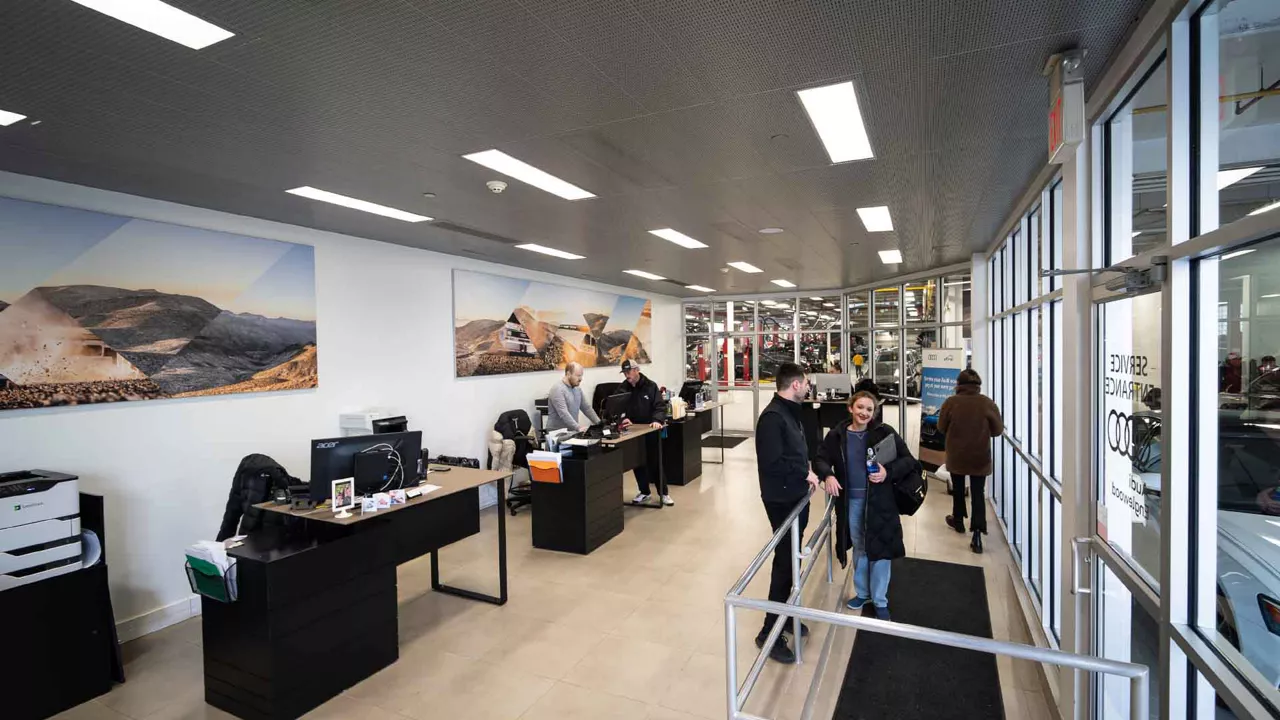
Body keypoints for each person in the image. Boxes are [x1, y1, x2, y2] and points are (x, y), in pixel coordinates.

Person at [814, 391, 917, 620]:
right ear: (850, 408)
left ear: (874, 413)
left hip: (880, 503)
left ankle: (880, 600)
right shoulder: (837, 435)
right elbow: (819, 458)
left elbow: (909, 460)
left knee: (880, 549)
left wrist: (886, 472)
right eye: (860, 407)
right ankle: (863, 592)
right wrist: (828, 475)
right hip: (852, 502)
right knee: (860, 546)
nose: (864, 413)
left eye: (869, 410)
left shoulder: (884, 433)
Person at [754, 362, 821, 664]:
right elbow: (772, 463)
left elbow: (793, 452)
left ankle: (787, 614)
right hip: (782, 501)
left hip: (795, 496)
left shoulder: (790, 413)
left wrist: (806, 468)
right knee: (784, 563)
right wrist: (803, 473)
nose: (808, 387)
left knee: (791, 561)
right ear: (795, 385)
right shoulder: (772, 417)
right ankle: (769, 632)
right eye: (805, 383)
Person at [937, 369, 1004, 554]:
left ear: (958, 385)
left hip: (957, 455)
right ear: (978, 385)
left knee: (958, 489)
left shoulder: (951, 402)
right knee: (977, 493)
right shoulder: (986, 403)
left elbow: (941, 428)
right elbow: (998, 430)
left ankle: (958, 521)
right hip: (979, 456)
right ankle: (977, 535)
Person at [618, 359, 672, 506]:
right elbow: (617, 408)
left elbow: (660, 407)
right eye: (624, 373)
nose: (626, 375)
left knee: (655, 462)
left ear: (637, 370)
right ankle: (644, 492)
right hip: (633, 432)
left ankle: (664, 493)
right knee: (637, 463)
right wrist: (624, 418)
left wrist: (657, 420)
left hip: (650, 429)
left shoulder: (650, 386)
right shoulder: (623, 388)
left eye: (629, 372)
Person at [545, 362, 600, 433]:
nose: (580, 379)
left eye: (581, 376)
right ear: (568, 374)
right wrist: (578, 427)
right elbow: (563, 413)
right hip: (557, 433)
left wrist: (599, 423)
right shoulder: (558, 389)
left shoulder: (577, 389)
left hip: (572, 431)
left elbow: (586, 408)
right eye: (578, 376)